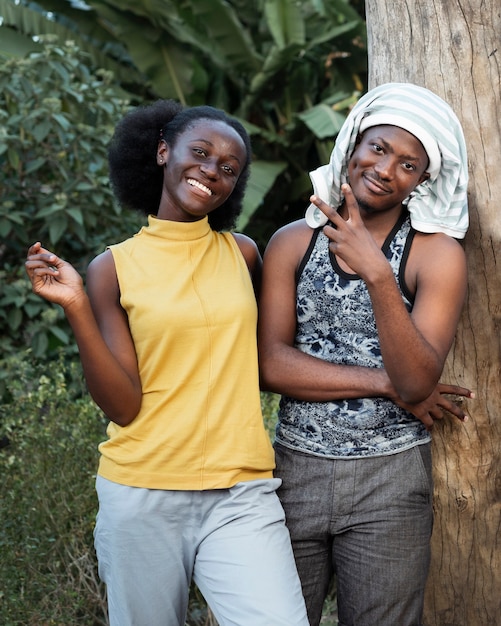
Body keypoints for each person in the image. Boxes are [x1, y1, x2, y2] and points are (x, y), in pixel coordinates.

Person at [25, 100, 309, 626]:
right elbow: (123, 405)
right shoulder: (112, 269)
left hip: (241, 493)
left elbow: (276, 355)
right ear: (162, 151)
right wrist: (77, 307)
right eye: (199, 154)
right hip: (143, 493)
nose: (211, 172)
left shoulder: (244, 254)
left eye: (228, 168)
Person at [257, 83, 474, 626]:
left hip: (391, 480)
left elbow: (419, 377)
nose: (384, 168)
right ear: (353, 142)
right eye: (377, 148)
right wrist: (385, 383)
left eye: (408, 164)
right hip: (293, 474)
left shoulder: (436, 254)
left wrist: (378, 272)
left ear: (423, 180)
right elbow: (270, 365)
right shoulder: (292, 243)